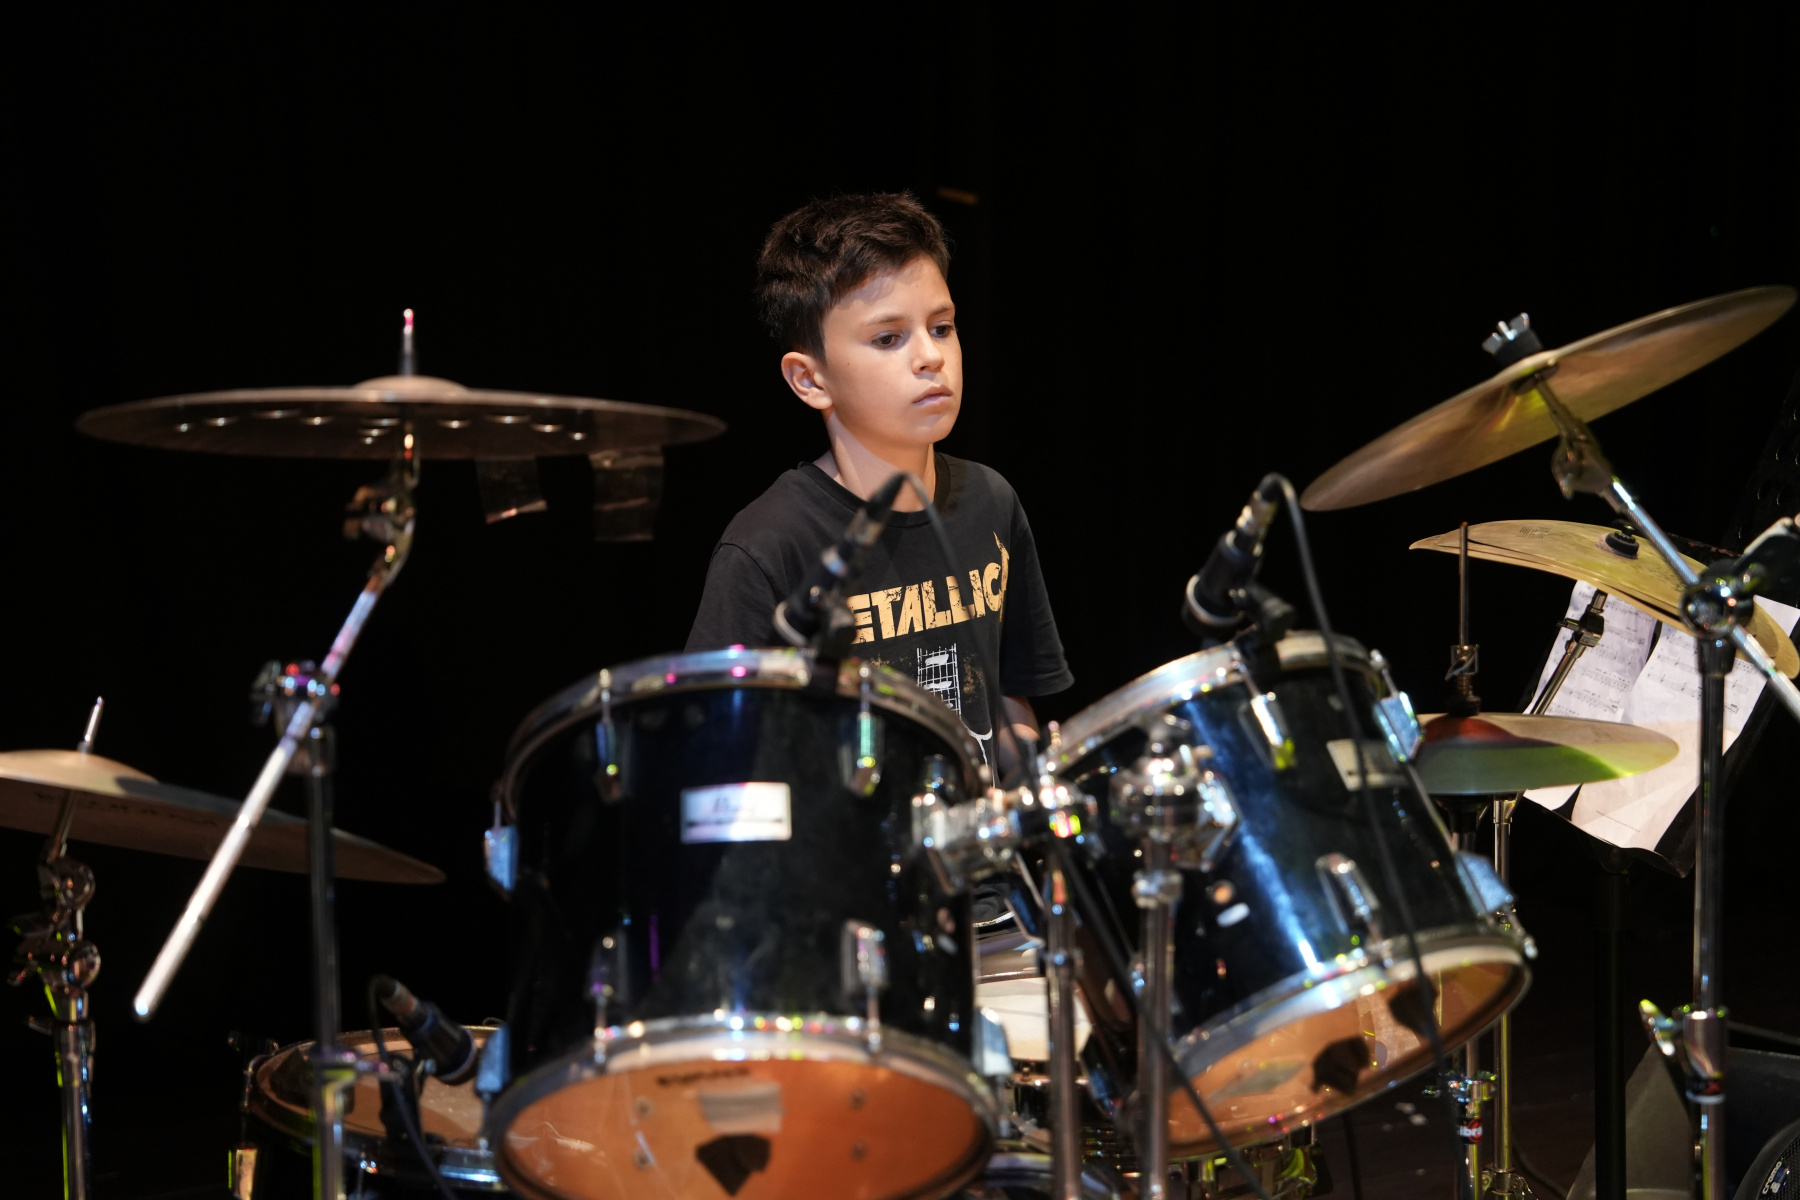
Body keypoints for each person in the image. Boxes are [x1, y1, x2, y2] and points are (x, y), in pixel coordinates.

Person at [685, 191, 1071, 777]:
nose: (930, 357)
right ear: (810, 380)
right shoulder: (767, 546)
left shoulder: (991, 501)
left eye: (941, 327)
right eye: (888, 338)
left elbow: (1007, 697)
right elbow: (714, 751)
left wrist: (1029, 791)